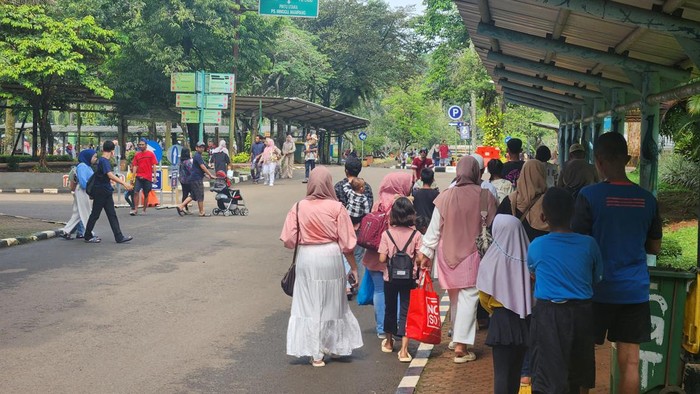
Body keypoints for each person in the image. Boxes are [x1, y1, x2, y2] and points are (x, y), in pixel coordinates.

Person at [572, 132, 662, 393]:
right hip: (633, 291)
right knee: (631, 363)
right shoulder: (648, 200)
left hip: (594, 290)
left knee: (582, 356)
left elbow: (578, 243)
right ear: (627, 158)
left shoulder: (589, 197)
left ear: (598, 161)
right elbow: (654, 246)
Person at [280, 166, 363, 367]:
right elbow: (348, 243)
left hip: (307, 257)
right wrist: (353, 268)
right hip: (330, 256)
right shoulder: (337, 208)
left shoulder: (298, 206)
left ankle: (315, 352)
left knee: (309, 303)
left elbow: (288, 240)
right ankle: (334, 345)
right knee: (333, 302)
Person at [418, 156, 498, 363]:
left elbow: (435, 229)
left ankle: (456, 338)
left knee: (456, 297)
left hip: (447, 254)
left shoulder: (445, 196)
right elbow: (494, 227)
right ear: (476, 172)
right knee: (469, 297)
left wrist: (425, 253)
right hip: (472, 253)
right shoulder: (485, 195)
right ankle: (461, 345)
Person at [529, 187, 603, 394]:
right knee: (580, 372)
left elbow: (533, 273)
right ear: (573, 214)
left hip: (548, 316)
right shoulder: (589, 245)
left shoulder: (536, 246)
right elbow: (596, 277)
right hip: (582, 314)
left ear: (543, 216)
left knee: (546, 374)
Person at [476, 215, 532, 394]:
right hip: (523, 319)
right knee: (516, 371)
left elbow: (483, 296)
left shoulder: (490, 260)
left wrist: (493, 309)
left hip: (500, 320)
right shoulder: (529, 257)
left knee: (501, 372)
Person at [362, 172, 414, 339]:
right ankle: (398, 328)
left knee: (379, 292)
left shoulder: (378, 203)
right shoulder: (401, 204)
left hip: (374, 254)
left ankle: (381, 329)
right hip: (396, 258)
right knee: (397, 294)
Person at [379, 196, 423, 363]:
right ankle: (404, 350)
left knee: (390, 308)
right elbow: (420, 258)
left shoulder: (387, 234)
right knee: (406, 311)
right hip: (409, 278)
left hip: (390, 278)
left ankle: (389, 342)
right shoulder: (416, 235)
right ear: (411, 214)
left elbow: (382, 259)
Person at [334, 158, 374, 300]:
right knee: (358, 255)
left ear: (346, 170)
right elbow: (369, 207)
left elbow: (335, 207)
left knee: (344, 254)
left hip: (342, 227)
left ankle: (347, 286)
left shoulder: (339, 186)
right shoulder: (365, 187)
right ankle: (359, 286)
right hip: (360, 227)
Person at [83, 141, 134, 244]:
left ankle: (119, 236)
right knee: (95, 214)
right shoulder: (104, 161)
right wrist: (124, 183)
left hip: (105, 191)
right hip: (101, 192)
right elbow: (110, 175)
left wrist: (110, 181)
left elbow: (104, 175)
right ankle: (88, 235)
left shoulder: (101, 160)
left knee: (111, 214)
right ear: (112, 151)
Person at [497, 160, 550, 241]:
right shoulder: (549, 203)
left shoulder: (510, 200)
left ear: (523, 174)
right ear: (542, 175)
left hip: (513, 252)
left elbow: (496, 227)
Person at [60, 149, 96, 240]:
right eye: (94, 156)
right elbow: (83, 182)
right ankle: (89, 233)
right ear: (88, 157)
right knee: (86, 212)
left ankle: (66, 231)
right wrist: (91, 190)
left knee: (77, 213)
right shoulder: (83, 166)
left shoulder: (87, 166)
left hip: (82, 191)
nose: (96, 158)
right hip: (82, 191)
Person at [176, 142, 213, 217]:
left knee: (192, 194)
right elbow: (201, 167)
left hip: (184, 180)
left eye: (203, 147)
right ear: (196, 148)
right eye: (200, 147)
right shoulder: (192, 160)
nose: (202, 148)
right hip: (193, 179)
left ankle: (182, 206)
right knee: (199, 195)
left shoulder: (182, 161)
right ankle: (201, 212)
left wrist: (205, 174)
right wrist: (209, 174)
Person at [130, 139, 158, 216]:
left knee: (146, 194)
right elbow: (135, 166)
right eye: (140, 145)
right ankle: (135, 209)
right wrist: (133, 177)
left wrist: (154, 177)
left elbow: (154, 165)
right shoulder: (137, 155)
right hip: (139, 176)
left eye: (143, 144)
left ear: (146, 145)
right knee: (135, 192)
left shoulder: (150, 154)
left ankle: (144, 209)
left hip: (148, 177)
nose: (141, 146)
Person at [177, 148, 194, 215]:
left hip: (182, 179)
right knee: (193, 193)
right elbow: (191, 171)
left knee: (185, 193)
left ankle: (185, 208)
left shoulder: (181, 161)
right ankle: (183, 206)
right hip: (188, 180)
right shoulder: (188, 162)